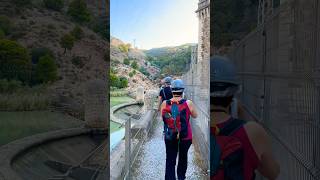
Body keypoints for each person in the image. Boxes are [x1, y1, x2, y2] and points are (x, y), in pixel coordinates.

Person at [210, 56, 280, 180]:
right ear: (233, 94)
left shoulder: (192, 127)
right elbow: (272, 172)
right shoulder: (252, 131)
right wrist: (242, 117)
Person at [160, 79, 198, 180]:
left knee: (170, 160)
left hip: (170, 136)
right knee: (182, 158)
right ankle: (181, 178)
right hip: (185, 137)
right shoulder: (188, 103)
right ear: (182, 90)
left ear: (172, 90)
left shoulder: (165, 103)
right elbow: (195, 116)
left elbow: (163, 118)